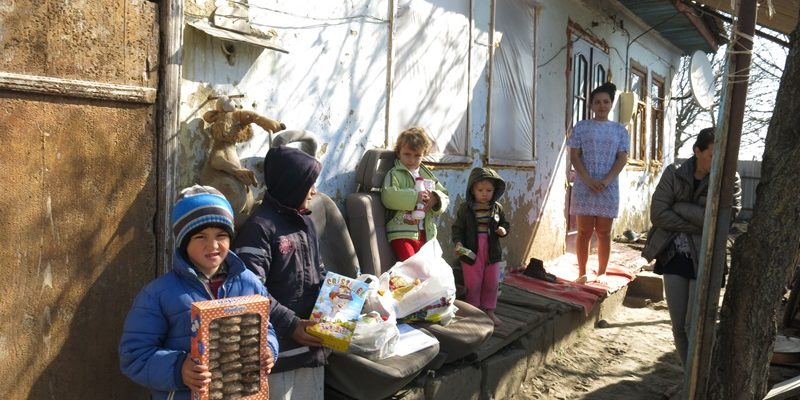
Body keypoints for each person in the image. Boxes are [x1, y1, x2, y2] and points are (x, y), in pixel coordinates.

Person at [119, 185, 279, 400]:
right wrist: (179, 369)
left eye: (221, 235)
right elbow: (134, 356)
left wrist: (268, 350)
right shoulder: (158, 294)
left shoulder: (249, 283)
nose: (213, 245)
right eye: (200, 237)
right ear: (184, 242)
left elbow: (266, 329)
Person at [233, 145, 327, 400]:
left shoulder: (306, 222)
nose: (314, 191)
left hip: (311, 344)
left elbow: (318, 272)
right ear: (292, 184)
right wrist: (291, 324)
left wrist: (343, 299)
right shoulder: (260, 228)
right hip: (278, 350)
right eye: (309, 183)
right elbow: (250, 291)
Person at [642, 127, 741, 367]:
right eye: (712, 155)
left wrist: (680, 208)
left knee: (694, 326)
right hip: (673, 255)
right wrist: (701, 223)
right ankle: (689, 380)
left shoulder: (731, 179)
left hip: (706, 257)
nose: (718, 162)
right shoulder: (674, 173)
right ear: (697, 151)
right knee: (679, 327)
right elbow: (658, 214)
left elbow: (724, 221)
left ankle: (701, 379)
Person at [567, 82, 629, 284]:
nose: (602, 105)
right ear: (591, 105)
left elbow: (622, 158)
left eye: (606, 102)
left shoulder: (620, 130)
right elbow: (574, 156)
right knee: (584, 232)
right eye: (597, 102)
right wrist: (587, 179)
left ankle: (602, 272)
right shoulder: (581, 127)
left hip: (608, 187)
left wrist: (606, 181)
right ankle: (582, 272)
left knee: (604, 232)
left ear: (611, 104)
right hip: (584, 185)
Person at [452, 167, 510, 326]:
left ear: (495, 191)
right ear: (472, 190)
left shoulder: (497, 208)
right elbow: (457, 228)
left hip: (491, 250)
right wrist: (458, 243)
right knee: (473, 283)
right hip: (471, 250)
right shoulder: (465, 208)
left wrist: (503, 229)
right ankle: (474, 313)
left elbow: (505, 223)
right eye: (480, 190)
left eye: (489, 190)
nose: (485, 193)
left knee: (492, 282)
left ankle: (489, 311)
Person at [381, 127, 450, 261]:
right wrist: (415, 197)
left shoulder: (427, 175)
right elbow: (389, 196)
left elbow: (444, 194)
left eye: (417, 155)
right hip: (402, 233)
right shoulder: (395, 174)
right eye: (407, 154)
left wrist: (436, 199)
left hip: (426, 233)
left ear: (424, 155)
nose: (412, 160)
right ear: (398, 153)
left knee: (429, 268)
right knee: (412, 266)